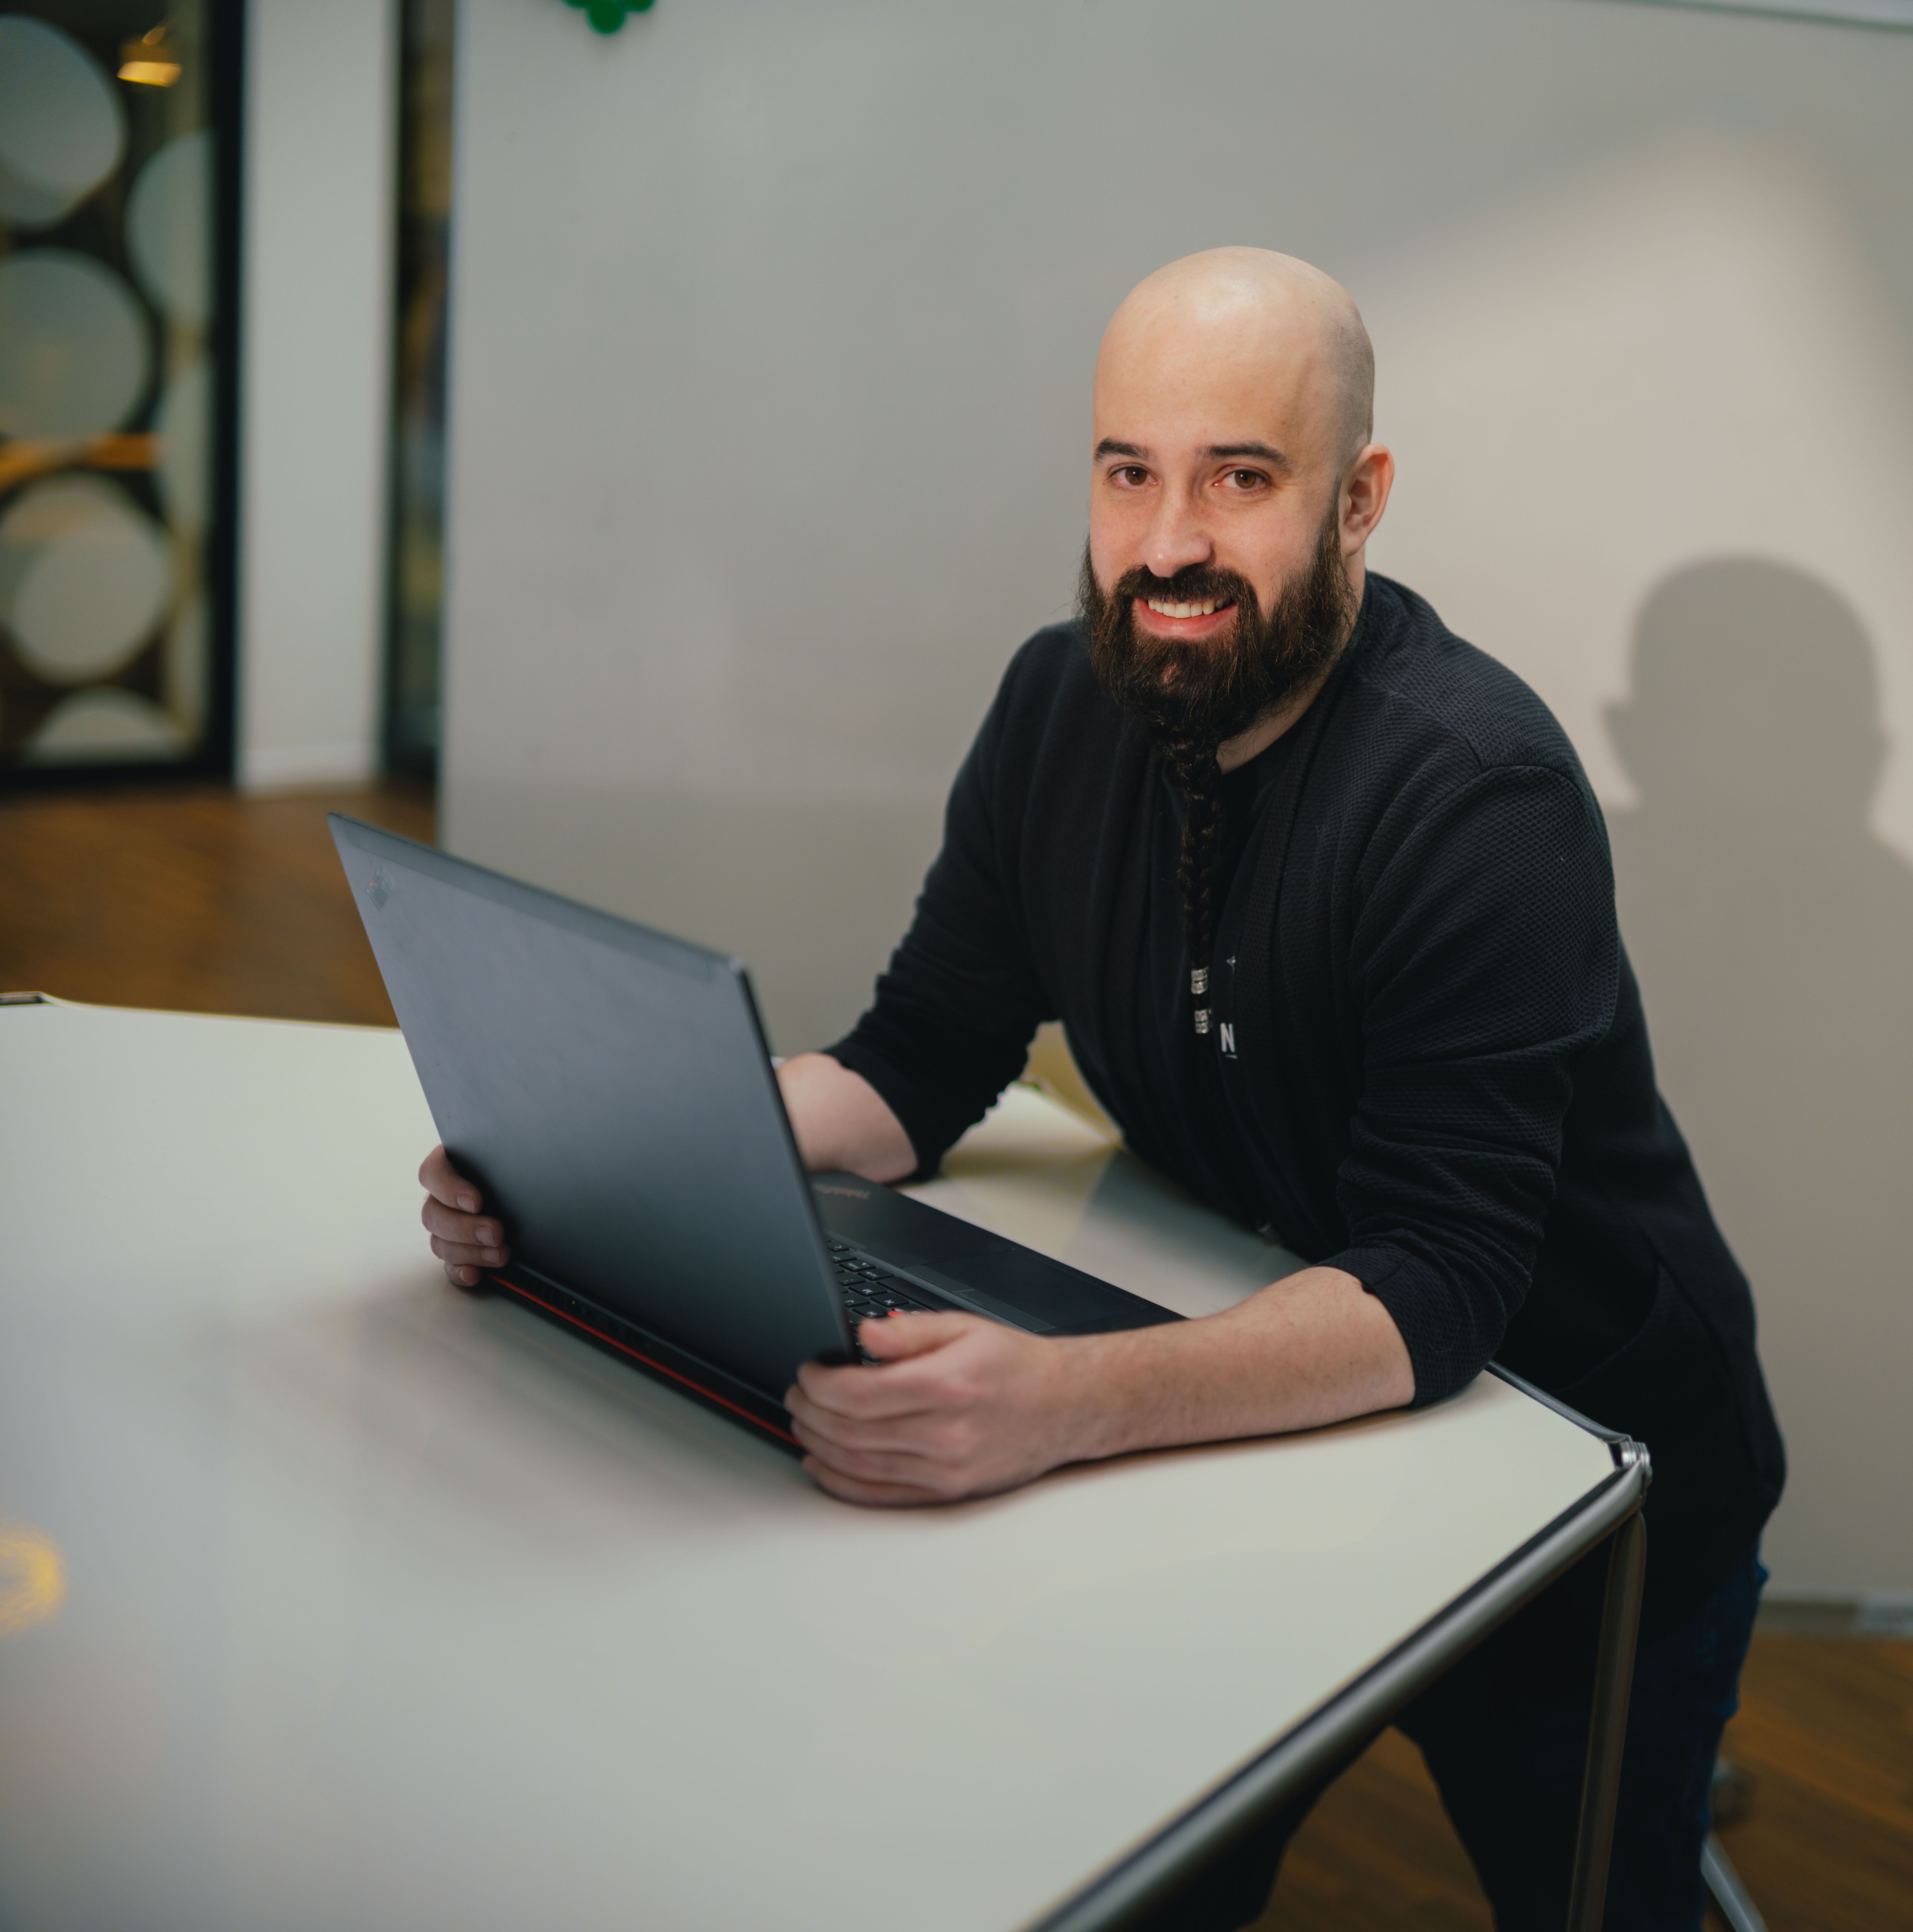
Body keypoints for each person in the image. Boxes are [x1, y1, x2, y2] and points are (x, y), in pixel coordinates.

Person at [416, 247, 1784, 1931]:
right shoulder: (1058, 702)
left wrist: (1068, 1403)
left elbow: (1442, 1285)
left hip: (1573, 1465)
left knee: (1596, 1903)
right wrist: (588, 1158)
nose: (1167, 544)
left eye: (1243, 479)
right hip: (1283, 1418)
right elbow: (913, 1067)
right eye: (1129, 471)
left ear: (1360, 500)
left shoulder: (1476, 793)